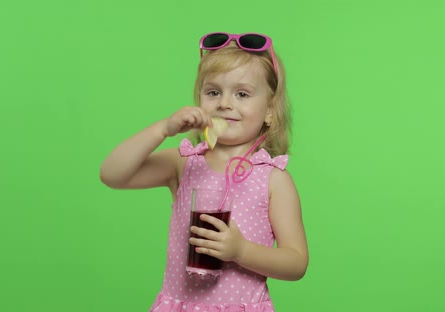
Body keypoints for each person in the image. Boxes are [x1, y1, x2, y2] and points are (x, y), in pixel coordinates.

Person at [100, 32, 308, 311]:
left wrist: (241, 251)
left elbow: (296, 263)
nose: (225, 103)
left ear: (270, 110)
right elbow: (112, 174)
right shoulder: (184, 164)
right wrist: (163, 129)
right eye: (213, 92)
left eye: (242, 94)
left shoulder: (273, 179)